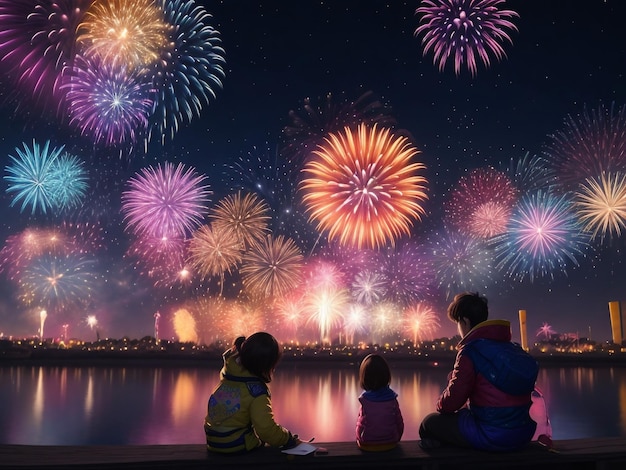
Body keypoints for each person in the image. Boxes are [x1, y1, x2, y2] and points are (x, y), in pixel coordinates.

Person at [418, 292, 537, 452]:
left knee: (429, 424)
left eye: (458, 323)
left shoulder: (471, 351)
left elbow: (452, 402)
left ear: (464, 321)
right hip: (523, 433)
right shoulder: (512, 348)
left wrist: (441, 403)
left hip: (490, 435)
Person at [204, 332, 300, 453]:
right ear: (266, 365)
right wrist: (289, 440)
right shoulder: (256, 392)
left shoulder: (228, 378)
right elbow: (266, 429)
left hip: (213, 443)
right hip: (236, 445)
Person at [355, 353, 404, 451]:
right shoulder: (392, 399)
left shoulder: (365, 401)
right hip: (391, 444)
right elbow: (400, 424)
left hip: (367, 445)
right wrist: (396, 439)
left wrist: (359, 438)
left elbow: (360, 426)